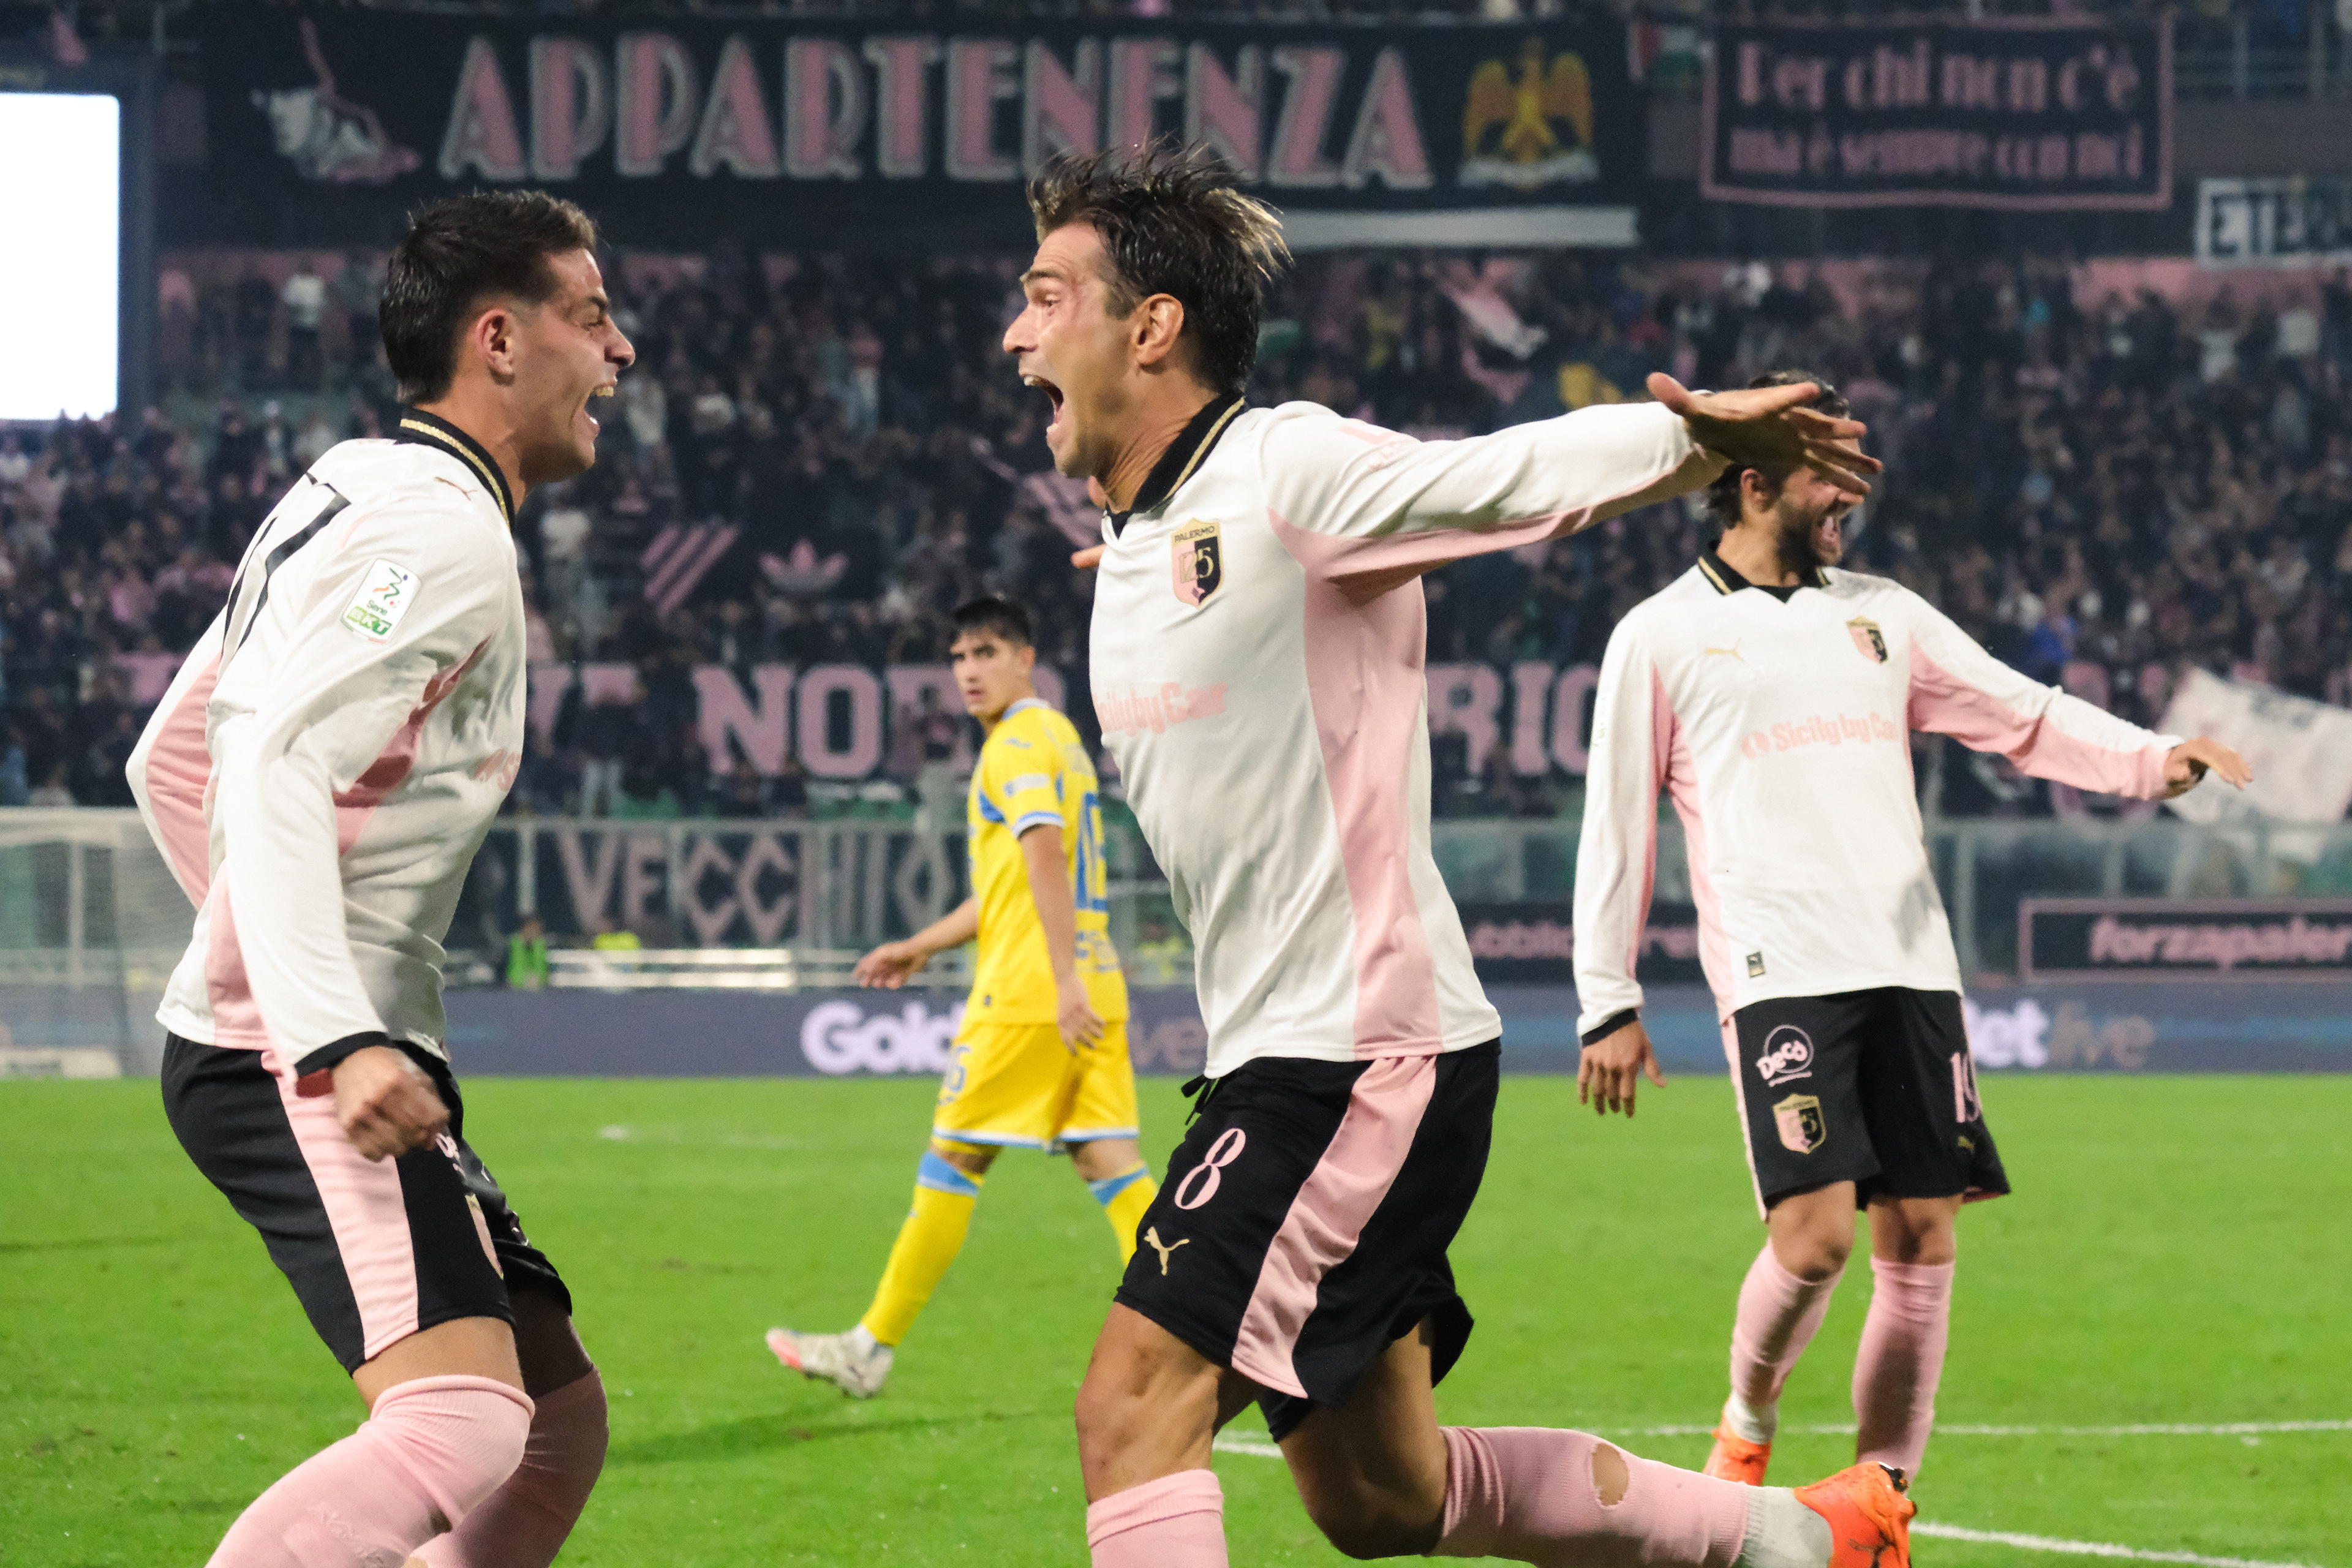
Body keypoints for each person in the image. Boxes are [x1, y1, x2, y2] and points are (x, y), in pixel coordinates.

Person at [1015, 145, 1911, 1568]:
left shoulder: (1282, 469)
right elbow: (1197, 575)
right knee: (1381, 1499)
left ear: (1152, 324)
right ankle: (1802, 1539)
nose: (1017, 332)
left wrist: (1699, 443)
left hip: (1356, 1053)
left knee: (1129, 1413)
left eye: (1046, 295)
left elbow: (1501, 478)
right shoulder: (1144, 534)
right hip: (1307, 1049)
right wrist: (1148, 560)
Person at [1570, 370, 2252, 1494]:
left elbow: (2018, 711)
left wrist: (2149, 759)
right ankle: (1746, 1424)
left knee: (1924, 1238)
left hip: (1910, 966)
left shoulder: (1884, 615)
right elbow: (1617, 823)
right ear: (1750, 483)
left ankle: (1882, 1504)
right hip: (1782, 970)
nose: (1850, 501)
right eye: (1826, 478)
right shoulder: (1661, 637)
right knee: (1816, 1241)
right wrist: (1609, 997)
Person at [124, 189, 634, 1568]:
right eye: (591, 315)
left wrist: (265, 950)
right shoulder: (438, 536)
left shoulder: (350, 485)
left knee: (552, 1415)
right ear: (499, 339)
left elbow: (175, 755)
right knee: (461, 1425)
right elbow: (280, 759)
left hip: (299, 1040)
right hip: (299, 1059)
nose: (621, 350)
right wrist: (325, 1026)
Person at [768, 595, 1150, 1398]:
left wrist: (1060, 980)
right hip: (1091, 978)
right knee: (1110, 1161)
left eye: (985, 652)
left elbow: (1043, 856)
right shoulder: (1061, 741)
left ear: (1025, 659)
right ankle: (1215, 1325)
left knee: (954, 1159)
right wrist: (919, 946)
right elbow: (1016, 884)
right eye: (959, 657)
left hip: (1031, 994)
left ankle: (870, 1347)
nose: (969, 671)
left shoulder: (1013, 747)